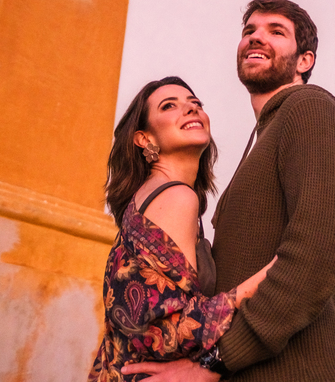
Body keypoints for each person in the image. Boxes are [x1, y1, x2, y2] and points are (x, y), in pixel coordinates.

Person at [124, 0, 335, 382]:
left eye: (276, 32)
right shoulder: (263, 138)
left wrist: (214, 362)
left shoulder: (310, 108)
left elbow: (317, 256)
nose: (257, 38)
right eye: (249, 31)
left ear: (304, 60)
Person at [90, 76, 275, 382]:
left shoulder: (149, 197)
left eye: (196, 104)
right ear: (144, 139)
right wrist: (279, 269)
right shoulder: (176, 197)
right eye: (169, 106)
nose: (191, 110)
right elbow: (169, 333)